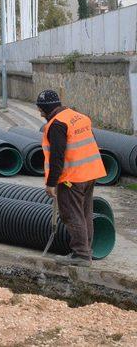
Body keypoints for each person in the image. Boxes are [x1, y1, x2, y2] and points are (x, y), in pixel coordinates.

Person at [37, 89, 106, 267]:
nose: (39, 112)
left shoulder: (57, 124)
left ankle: (81, 255)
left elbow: (57, 157)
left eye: (40, 109)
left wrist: (51, 183)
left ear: (46, 109)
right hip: (90, 173)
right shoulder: (78, 117)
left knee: (71, 214)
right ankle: (86, 251)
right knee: (85, 213)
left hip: (72, 177)